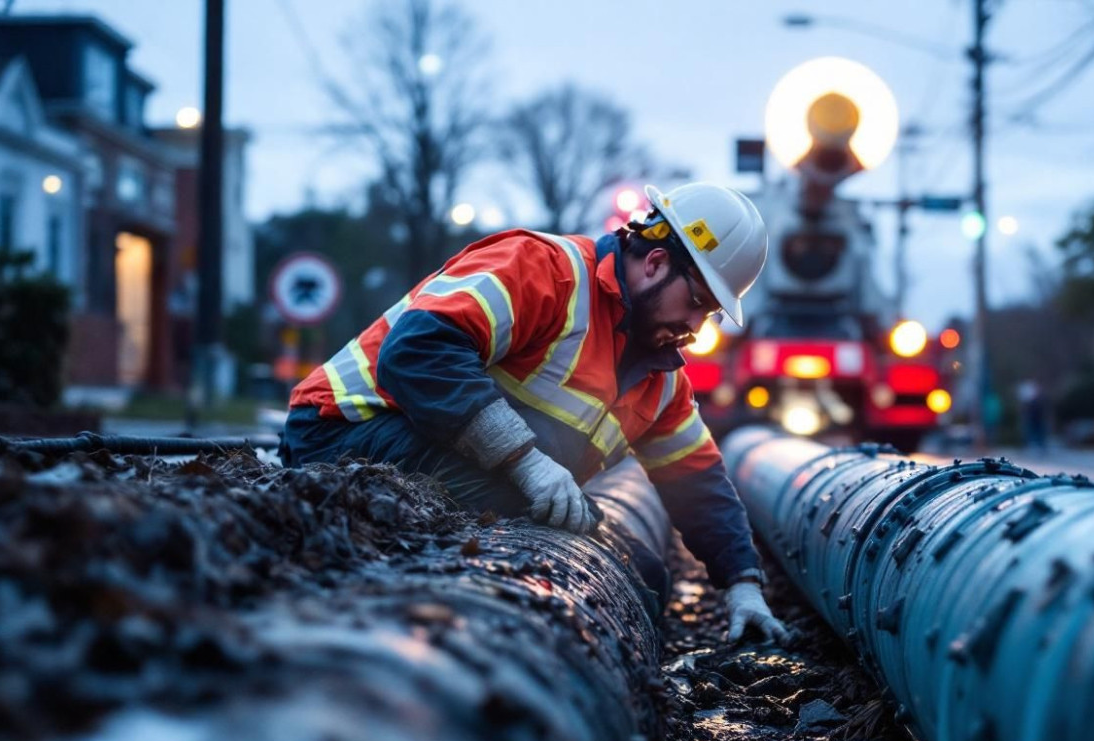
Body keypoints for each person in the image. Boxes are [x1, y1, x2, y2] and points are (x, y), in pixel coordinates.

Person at [280, 183, 789, 645]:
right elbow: (417, 353)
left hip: (450, 458)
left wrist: (743, 584)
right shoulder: (544, 269)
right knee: (525, 505)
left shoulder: (661, 378)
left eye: (711, 313)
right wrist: (527, 462)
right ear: (655, 263)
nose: (698, 327)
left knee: (647, 575)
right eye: (698, 301)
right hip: (343, 428)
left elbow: (698, 480)